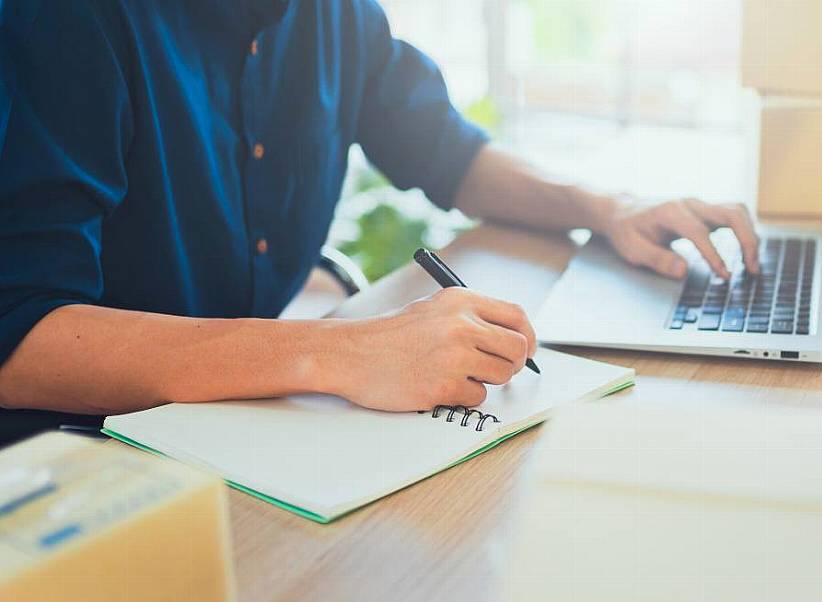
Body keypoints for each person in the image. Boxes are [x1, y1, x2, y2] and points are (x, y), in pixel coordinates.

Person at [0, 0, 759, 445]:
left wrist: (605, 207)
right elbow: (17, 339)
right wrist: (336, 350)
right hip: (73, 465)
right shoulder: (58, 23)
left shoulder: (335, 15)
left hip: (235, 427)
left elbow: (446, 149)